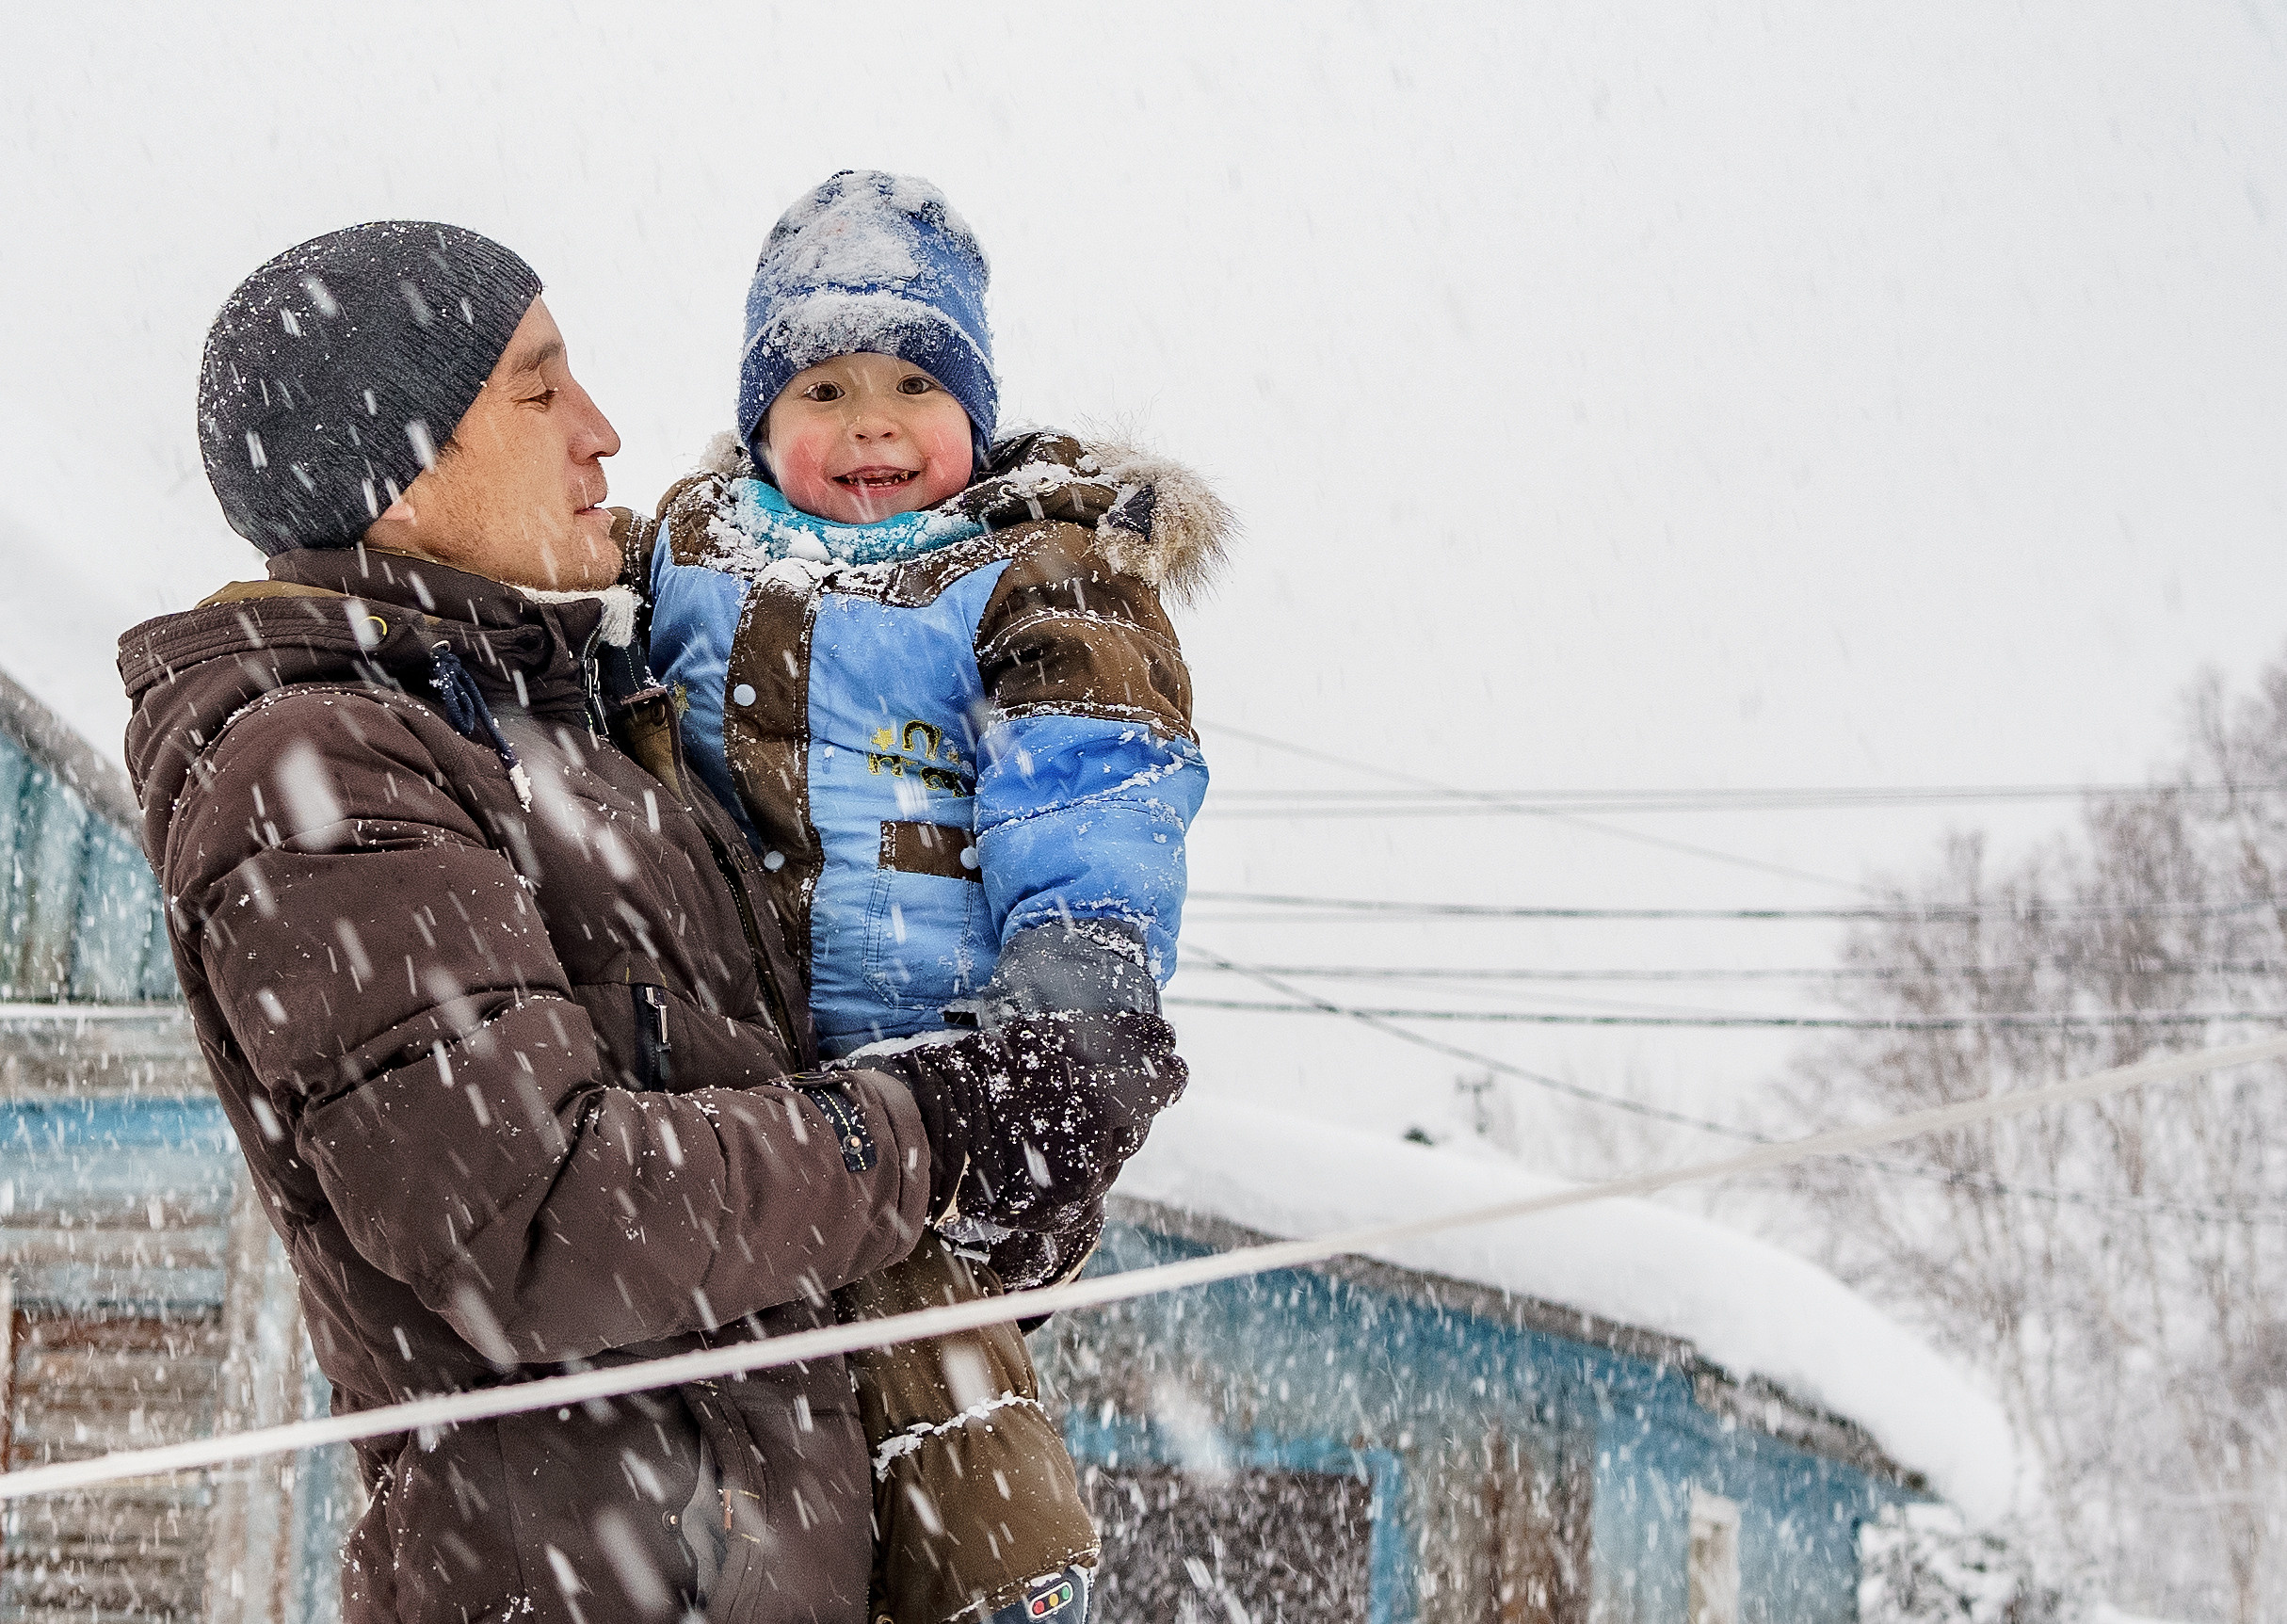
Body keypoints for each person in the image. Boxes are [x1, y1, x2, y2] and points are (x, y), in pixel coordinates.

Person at [119, 220, 1185, 1624]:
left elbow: (783, 1172)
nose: (605, 435)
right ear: (402, 453)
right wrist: (930, 1129)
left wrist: (1021, 1149)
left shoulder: (575, 740)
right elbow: (550, 1219)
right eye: (543, 389)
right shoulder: (310, 773)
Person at [640, 172, 1228, 1624]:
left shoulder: (1033, 570)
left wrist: (1076, 972)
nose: (870, 425)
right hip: (742, 1091)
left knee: (939, 1399)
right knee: (751, 1451)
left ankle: (1004, 1590)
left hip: (948, 1084)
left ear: (976, 405)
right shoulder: (684, 554)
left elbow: (1090, 778)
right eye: (822, 387)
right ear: (759, 418)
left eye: (913, 381)